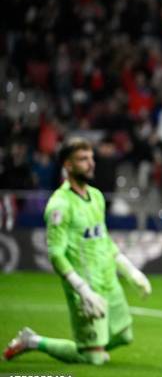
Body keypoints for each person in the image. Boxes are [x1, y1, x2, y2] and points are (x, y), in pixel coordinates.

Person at [3, 137, 151, 365]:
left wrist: (131, 271)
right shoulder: (59, 205)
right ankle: (33, 341)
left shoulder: (97, 197)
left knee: (124, 335)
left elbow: (104, 240)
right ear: (68, 166)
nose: (91, 163)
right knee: (94, 359)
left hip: (108, 279)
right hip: (85, 285)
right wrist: (83, 291)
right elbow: (56, 254)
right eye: (83, 159)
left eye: (91, 158)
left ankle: (93, 347)